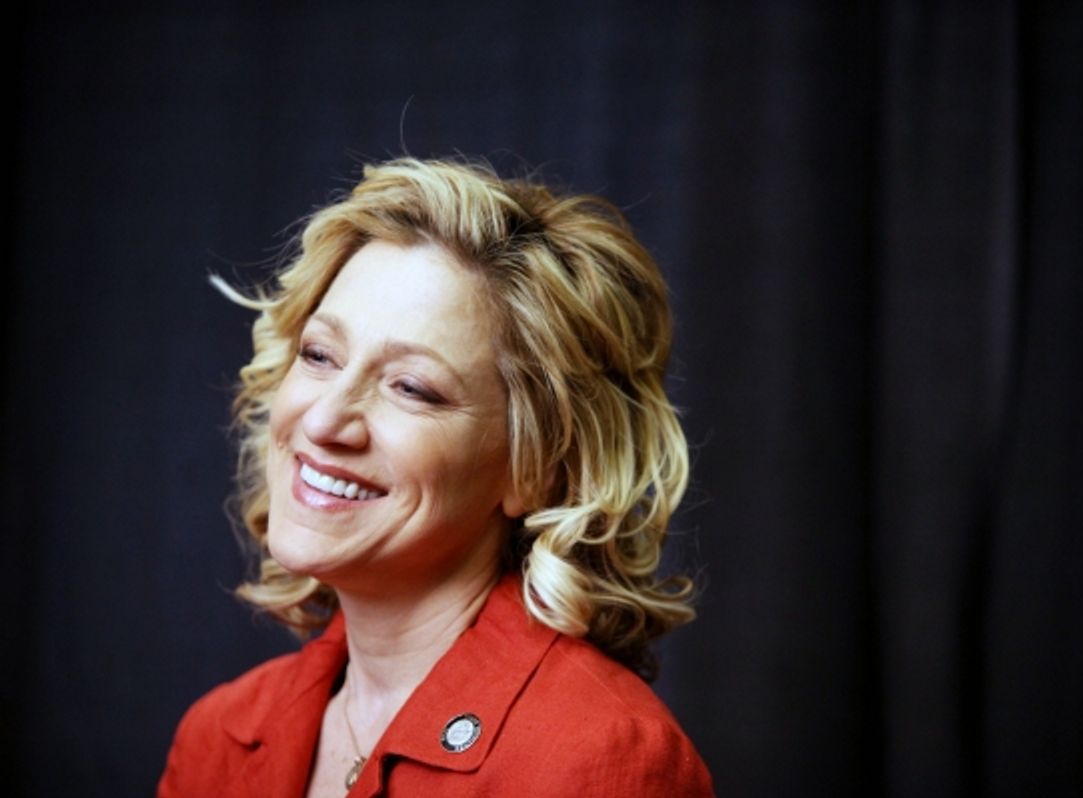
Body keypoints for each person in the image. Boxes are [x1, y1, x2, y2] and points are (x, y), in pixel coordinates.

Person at [157, 157, 713, 797]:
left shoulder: (600, 757)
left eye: (412, 388)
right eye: (319, 355)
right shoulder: (217, 738)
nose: (325, 420)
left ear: (536, 469)